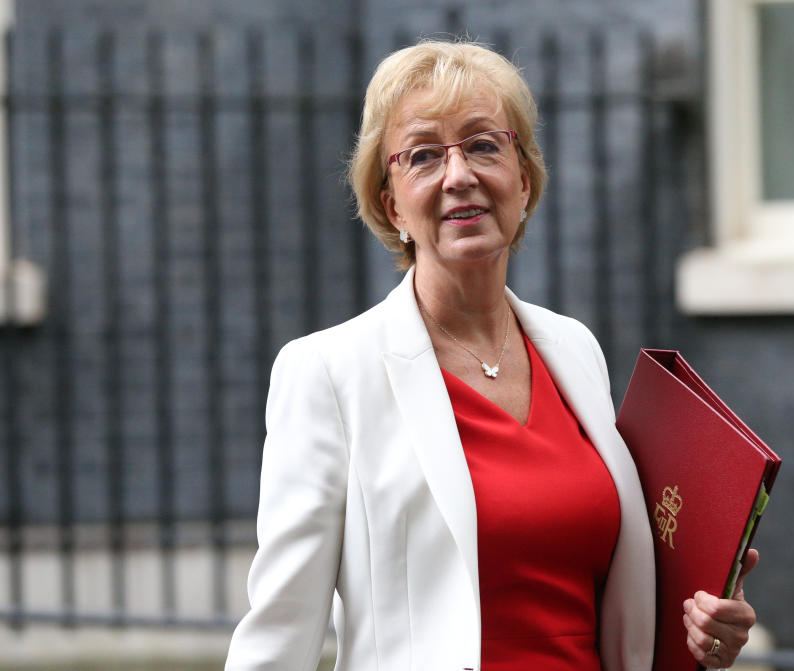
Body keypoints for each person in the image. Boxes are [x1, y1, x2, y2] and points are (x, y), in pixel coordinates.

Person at [224, 39, 757, 671]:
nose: (459, 176)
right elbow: (280, 632)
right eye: (423, 155)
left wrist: (704, 628)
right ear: (393, 204)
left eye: (483, 144)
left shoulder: (575, 350)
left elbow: (621, 600)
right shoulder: (328, 374)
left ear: (523, 181)